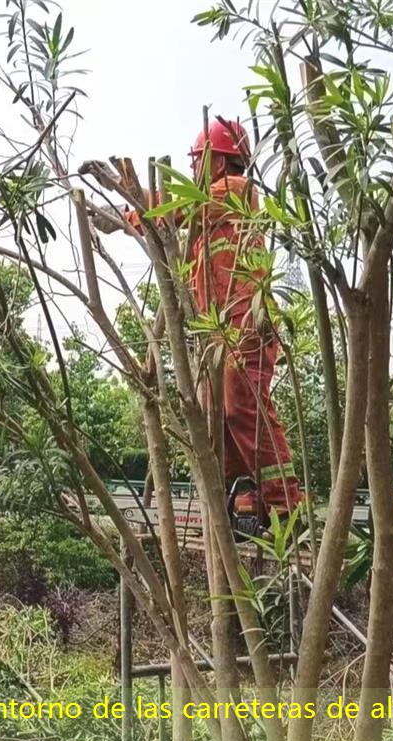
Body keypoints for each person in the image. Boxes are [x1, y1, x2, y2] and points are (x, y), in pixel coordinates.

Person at [124, 117, 304, 531]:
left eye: (197, 162)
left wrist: (130, 208)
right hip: (219, 333)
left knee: (243, 405)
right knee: (218, 414)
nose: (192, 171)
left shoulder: (236, 192)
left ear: (219, 162)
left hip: (246, 324)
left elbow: (174, 208)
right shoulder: (207, 223)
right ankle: (245, 500)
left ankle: (284, 502)